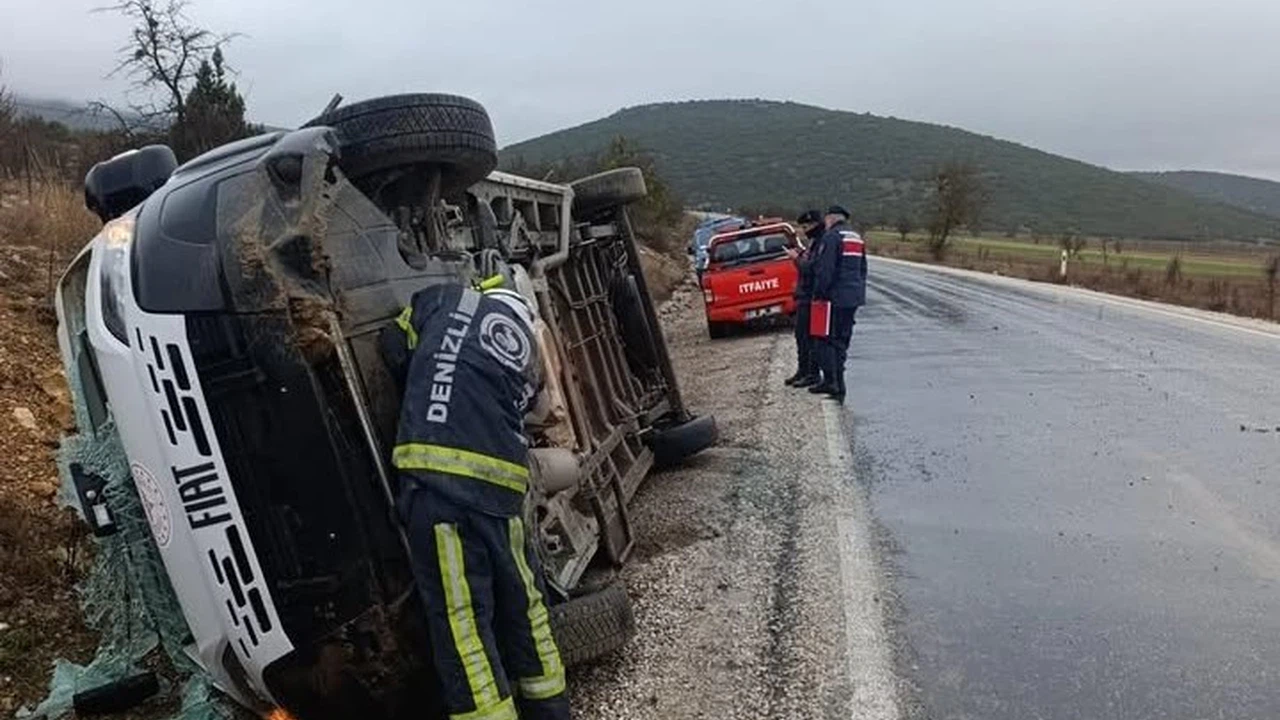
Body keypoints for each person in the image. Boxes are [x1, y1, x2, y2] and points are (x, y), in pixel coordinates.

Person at [382, 280, 569, 720]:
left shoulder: (447, 299)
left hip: (438, 488)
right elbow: (527, 416)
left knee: (463, 622)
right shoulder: (525, 354)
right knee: (525, 606)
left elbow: (393, 344)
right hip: (501, 492)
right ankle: (552, 710)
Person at [808, 205, 867, 402]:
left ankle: (831, 381)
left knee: (825, 339)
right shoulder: (856, 237)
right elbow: (862, 270)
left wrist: (820, 294)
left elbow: (826, 269)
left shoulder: (832, 237)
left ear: (831, 219)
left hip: (834, 297)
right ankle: (840, 383)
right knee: (842, 340)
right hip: (853, 298)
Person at [784, 209, 826, 387]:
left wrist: (796, 259)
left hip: (811, 296)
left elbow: (811, 268)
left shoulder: (821, 242)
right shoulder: (814, 243)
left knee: (810, 337)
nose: (804, 230)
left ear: (816, 224)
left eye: (807, 226)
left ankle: (812, 374)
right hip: (804, 295)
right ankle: (803, 371)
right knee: (801, 336)